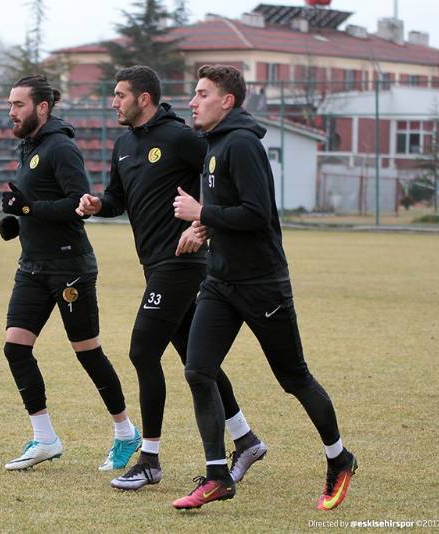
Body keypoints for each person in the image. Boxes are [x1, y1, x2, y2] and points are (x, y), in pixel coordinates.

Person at [171, 65, 357, 510]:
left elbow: (257, 214)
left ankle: (340, 458)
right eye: (194, 94)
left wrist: (203, 213)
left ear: (227, 101)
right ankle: (217, 476)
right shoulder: (213, 144)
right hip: (221, 281)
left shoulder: (241, 144)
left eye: (202, 94)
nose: (193, 102)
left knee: (293, 377)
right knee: (198, 369)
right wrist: (204, 227)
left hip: (262, 284)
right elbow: (228, 209)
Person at [77, 65, 266, 491]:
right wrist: (96, 204)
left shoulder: (181, 137)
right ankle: (247, 440)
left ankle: (149, 460)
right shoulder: (124, 143)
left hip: (183, 265)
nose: (113, 102)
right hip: (155, 265)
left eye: (120, 94)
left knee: (143, 351)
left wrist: (200, 225)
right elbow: (117, 199)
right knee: (196, 360)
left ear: (144, 99)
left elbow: (221, 177)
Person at [0, 74, 139, 472]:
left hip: (68, 267)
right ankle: (44, 438)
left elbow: (77, 205)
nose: (11, 111)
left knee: (87, 353)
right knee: (15, 348)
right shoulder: (30, 147)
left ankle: (127, 433)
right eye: (10, 104)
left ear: (42, 108)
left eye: (18, 105)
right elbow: (35, 204)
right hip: (32, 266)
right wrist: (16, 222)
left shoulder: (60, 147)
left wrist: (27, 211)